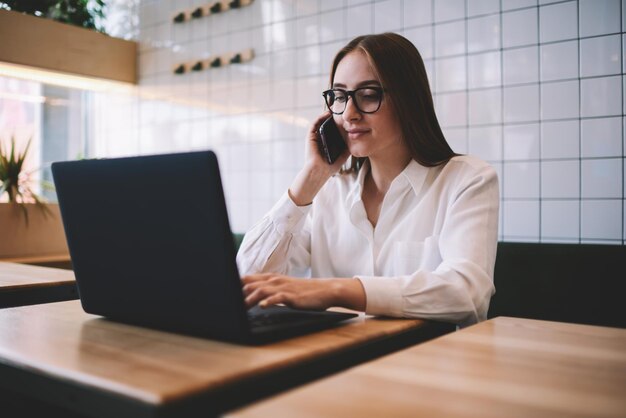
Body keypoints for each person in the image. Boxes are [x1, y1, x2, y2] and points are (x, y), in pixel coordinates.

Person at [236, 33, 499, 327]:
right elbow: (247, 277)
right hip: (338, 359)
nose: (349, 113)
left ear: (408, 100)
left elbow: (467, 294)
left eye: (369, 95)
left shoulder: (467, 180)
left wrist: (335, 290)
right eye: (338, 96)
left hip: (428, 365)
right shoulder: (327, 192)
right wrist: (312, 176)